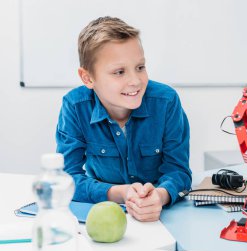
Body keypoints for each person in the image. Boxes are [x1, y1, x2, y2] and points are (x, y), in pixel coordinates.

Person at [56, 16, 192, 222]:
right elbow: (66, 179)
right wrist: (120, 193)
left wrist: (160, 196)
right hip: (102, 212)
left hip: (160, 214)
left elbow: (178, 171)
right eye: (119, 72)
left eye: (140, 67)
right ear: (88, 78)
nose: (136, 81)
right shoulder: (75, 106)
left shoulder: (166, 101)